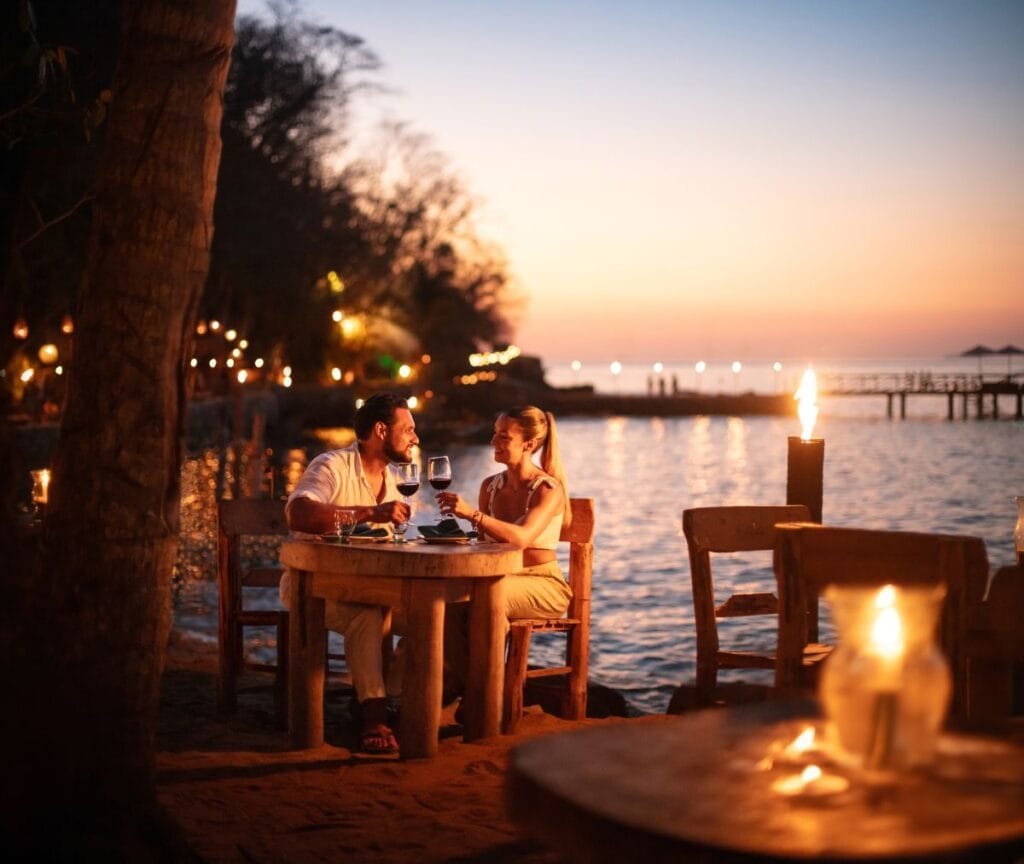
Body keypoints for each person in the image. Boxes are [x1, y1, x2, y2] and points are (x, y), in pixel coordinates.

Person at [284, 392, 417, 754]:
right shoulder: (332, 466)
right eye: (408, 429)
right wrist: (367, 514)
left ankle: (389, 699)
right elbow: (299, 514)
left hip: (370, 586)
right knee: (367, 616)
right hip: (312, 585)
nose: (415, 438)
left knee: (432, 617)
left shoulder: (394, 483)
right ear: (379, 429)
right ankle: (373, 716)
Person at [436, 406, 571, 696]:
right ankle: (471, 688)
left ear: (529, 444)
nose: (493, 442)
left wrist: (472, 515)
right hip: (498, 577)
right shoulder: (490, 487)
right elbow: (485, 543)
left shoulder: (548, 489)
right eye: (494, 434)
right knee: (450, 598)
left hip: (544, 582)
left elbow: (521, 538)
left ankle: (483, 695)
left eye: (503, 437)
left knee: (490, 598)